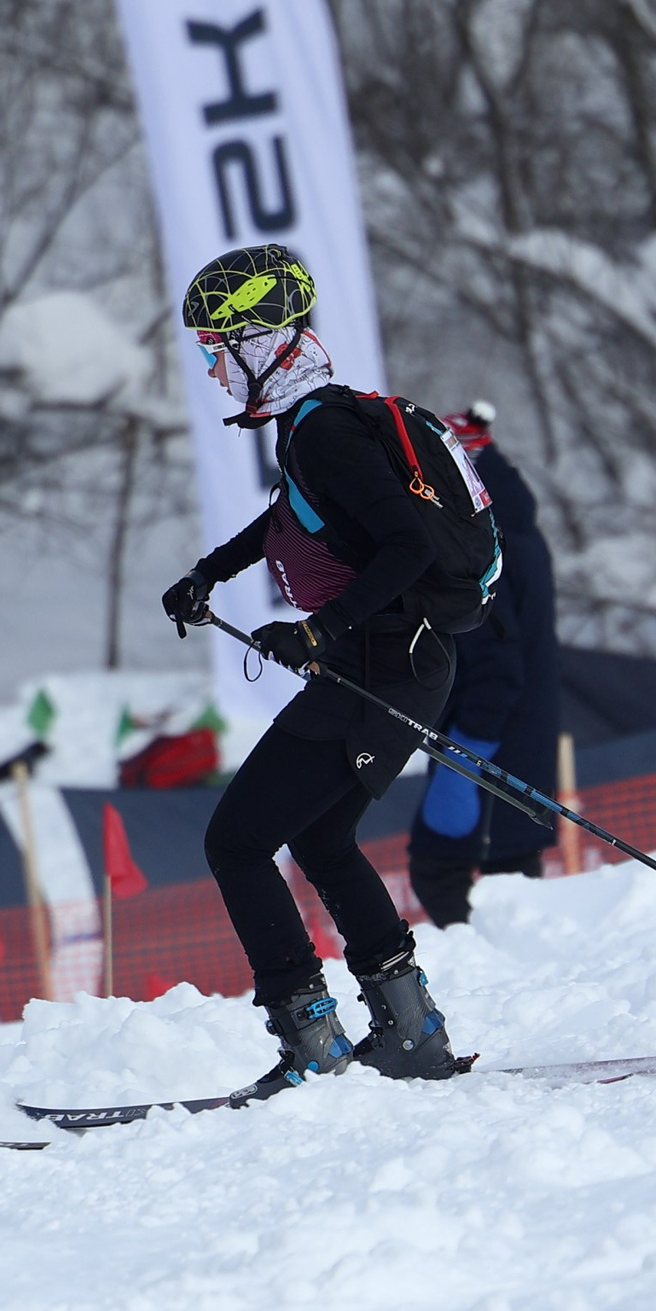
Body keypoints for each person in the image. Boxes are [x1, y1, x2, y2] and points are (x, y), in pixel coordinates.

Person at [161, 243, 483, 1098]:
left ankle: (314, 1043)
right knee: (321, 837)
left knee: (234, 840)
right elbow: (292, 522)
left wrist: (320, 628)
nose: (210, 367)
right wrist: (211, 574)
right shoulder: (315, 423)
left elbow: (407, 544)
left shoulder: (327, 431)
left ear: (259, 340)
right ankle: (410, 1034)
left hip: (378, 663)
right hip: (396, 664)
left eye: (213, 346)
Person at [409, 402, 560, 926]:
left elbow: (498, 655)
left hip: (489, 736)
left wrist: (473, 739)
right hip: (509, 732)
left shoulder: (484, 540)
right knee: (507, 876)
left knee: (441, 868)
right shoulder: (515, 525)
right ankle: (504, 967)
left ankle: (493, 969)